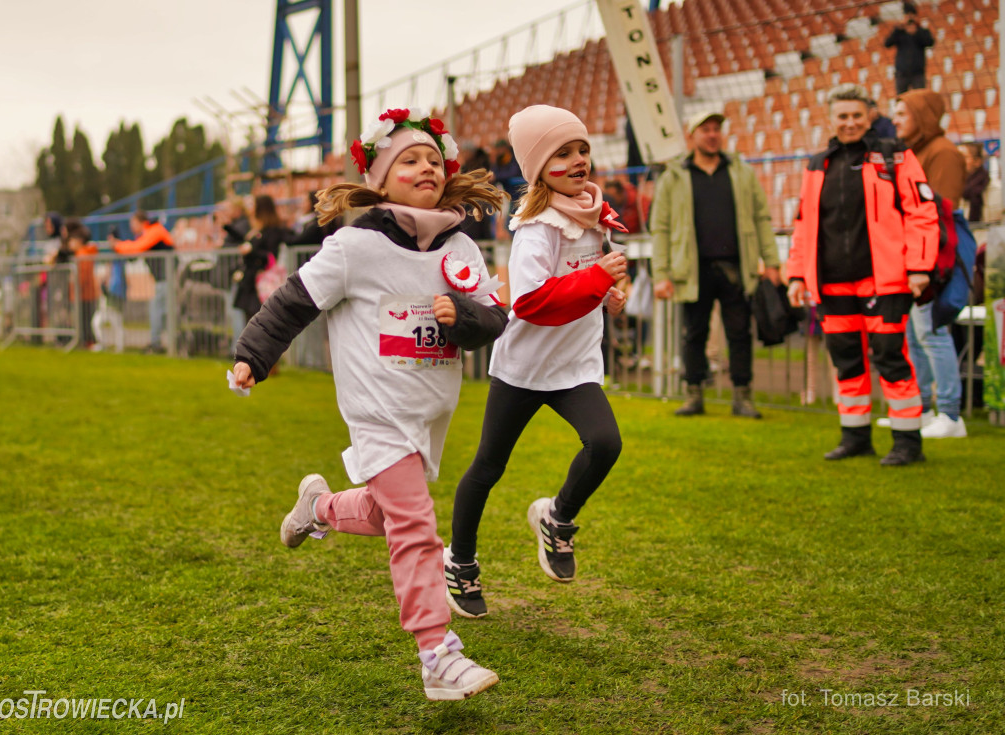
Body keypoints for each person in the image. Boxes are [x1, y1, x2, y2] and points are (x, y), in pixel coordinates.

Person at [230, 109, 507, 701]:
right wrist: (253, 354)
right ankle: (437, 654)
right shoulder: (353, 245)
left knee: (389, 515)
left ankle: (320, 506)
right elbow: (292, 302)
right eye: (409, 159)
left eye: (434, 159)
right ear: (380, 179)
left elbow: (493, 320)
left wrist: (464, 317)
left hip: (428, 412)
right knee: (415, 524)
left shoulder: (461, 246)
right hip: (376, 410)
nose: (425, 167)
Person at [443, 104, 628, 620]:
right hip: (523, 369)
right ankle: (458, 561)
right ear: (538, 166)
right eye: (562, 153)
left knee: (606, 443)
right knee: (488, 467)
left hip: (574, 367)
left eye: (583, 149)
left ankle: (557, 518)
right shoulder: (536, 228)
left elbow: (598, 278)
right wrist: (598, 280)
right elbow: (530, 302)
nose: (578, 161)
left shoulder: (594, 211)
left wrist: (614, 291)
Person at [787, 83, 939, 465]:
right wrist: (797, 276)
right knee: (846, 361)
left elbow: (922, 213)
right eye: (843, 116)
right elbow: (803, 224)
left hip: (884, 280)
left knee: (891, 358)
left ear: (869, 115)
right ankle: (855, 437)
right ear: (831, 119)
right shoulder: (817, 163)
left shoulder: (895, 155)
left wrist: (919, 268)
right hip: (832, 282)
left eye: (857, 115)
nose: (850, 123)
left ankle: (908, 442)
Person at [650, 111, 781, 418]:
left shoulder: (741, 171)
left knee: (739, 333)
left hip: (736, 266)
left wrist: (772, 261)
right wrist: (661, 274)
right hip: (692, 270)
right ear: (692, 135)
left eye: (716, 129)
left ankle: (742, 397)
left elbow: (762, 217)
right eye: (705, 129)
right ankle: (694, 395)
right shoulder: (674, 176)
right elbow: (661, 228)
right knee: (694, 333)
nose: (712, 134)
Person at [892, 89, 968, 438]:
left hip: (936, 258)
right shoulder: (914, 152)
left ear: (921, 116)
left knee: (932, 331)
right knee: (915, 332)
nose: (895, 120)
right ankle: (921, 410)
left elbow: (941, 213)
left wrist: (927, 266)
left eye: (902, 113)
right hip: (914, 255)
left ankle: (951, 415)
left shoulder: (944, 153)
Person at [110, 211, 174, 353]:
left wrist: (117, 245)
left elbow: (138, 247)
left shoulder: (154, 230)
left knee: (159, 310)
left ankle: (157, 344)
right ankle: (162, 343)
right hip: (163, 279)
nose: (131, 227)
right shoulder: (148, 232)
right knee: (161, 310)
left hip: (168, 278)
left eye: (133, 223)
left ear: (141, 222)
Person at [231, 194, 294, 341]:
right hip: (250, 285)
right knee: (250, 331)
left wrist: (250, 250)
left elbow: (269, 257)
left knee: (263, 333)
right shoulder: (254, 230)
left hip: (262, 287)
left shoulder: (272, 231)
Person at [884, 1, 934, 94]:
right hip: (901, 73)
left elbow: (930, 42)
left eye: (912, 15)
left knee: (919, 99)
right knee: (901, 99)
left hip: (918, 73)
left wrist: (916, 32)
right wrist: (898, 29)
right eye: (907, 15)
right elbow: (887, 44)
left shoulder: (922, 31)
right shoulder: (899, 31)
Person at [959, 142, 990, 223]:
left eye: (964, 156)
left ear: (977, 162)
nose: (958, 160)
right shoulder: (954, 187)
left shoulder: (993, 188)